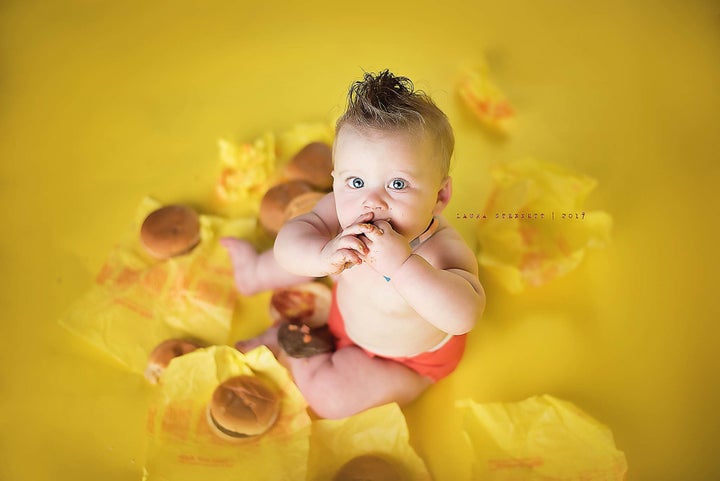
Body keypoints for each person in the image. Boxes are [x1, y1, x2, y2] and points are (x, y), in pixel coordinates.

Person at [220, 70, 485, 419]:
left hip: (408, 361)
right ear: (336, 180)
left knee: (332, 400)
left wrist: (404, 267)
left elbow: (463, 316)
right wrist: (322, 257)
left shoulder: (442, 249)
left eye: (398, 184)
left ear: (440, 195)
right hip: (344, 318)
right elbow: (290, 243)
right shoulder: (340, 210)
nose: (371, 201)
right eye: (356, 181)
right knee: (301, 249)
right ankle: (253, 274)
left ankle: (292, 346)